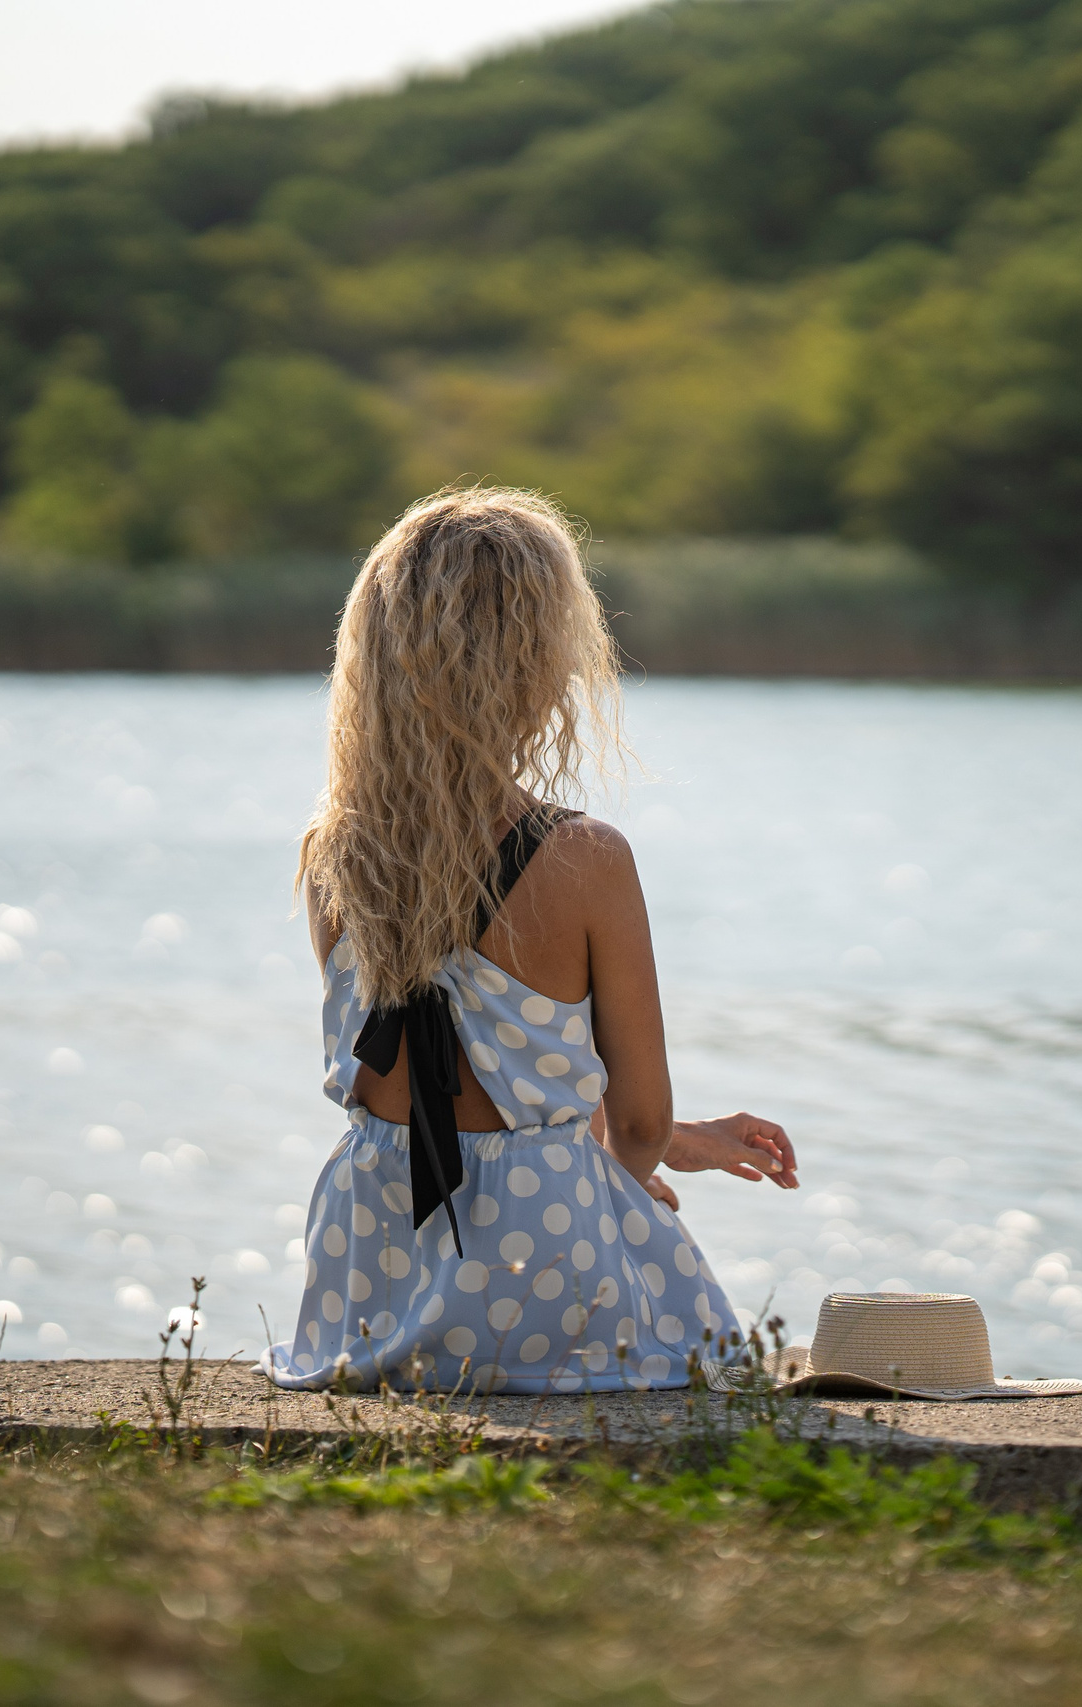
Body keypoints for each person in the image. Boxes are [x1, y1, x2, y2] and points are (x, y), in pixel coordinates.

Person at [266, 487, 797, 1394]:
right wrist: (639, 1159)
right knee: (704, 1332)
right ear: (539, 667)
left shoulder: (332, 851)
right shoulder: (586, 859)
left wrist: (673, 1139)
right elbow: (628, 1123)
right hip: (536, 1277)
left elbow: (453, 1074)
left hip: (372, 1270)